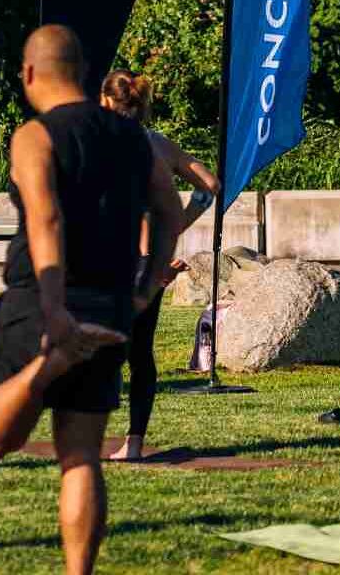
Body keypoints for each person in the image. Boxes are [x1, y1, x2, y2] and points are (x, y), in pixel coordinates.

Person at [0, 27, 181, 575]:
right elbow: (169, 210)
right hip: (110, 305)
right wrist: (147, 286)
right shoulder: (135, 138)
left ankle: (47, 366)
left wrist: (55, 308)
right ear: (83, 72)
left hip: (42, 299)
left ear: (31, 73)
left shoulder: (34, 135)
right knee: (81, 457)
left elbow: (46, 216)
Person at [95, 70, 219, 463]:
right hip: (152, 262)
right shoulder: (158, 144)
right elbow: (209, 186)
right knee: (139, 354)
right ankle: (132, 442)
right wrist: (176, 227)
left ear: (104, 102)